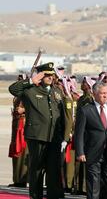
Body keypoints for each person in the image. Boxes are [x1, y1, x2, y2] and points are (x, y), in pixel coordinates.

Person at [9, 62, 66, 199]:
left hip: (54, 137)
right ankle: (36, 196)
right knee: (36, 170)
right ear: (40, 75)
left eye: (52, 75)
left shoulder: (57, 92)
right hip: (37, 136)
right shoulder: (31, 90)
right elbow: (13, 89)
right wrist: (31, 81)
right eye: (46, 75)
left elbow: (62, 115)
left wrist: (63, 136)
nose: (50, 77)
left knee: (53, 170)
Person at [75, 82, 107, 199]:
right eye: (102, 93)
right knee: (93, 184)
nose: (106, 96)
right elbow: (79, 133)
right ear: (94, 94)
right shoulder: (85, 110)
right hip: (92, 152)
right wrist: (80, 152)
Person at [8, 74, 29, 188]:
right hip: (16, 126)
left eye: (21, 80)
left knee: (23, 154)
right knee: (16, 154)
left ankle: (22, 180)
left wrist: (24, 110)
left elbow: (36, 107)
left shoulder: (28, 93)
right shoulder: (18, 94)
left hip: (24, 126)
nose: (18, 81)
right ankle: (16, 179)